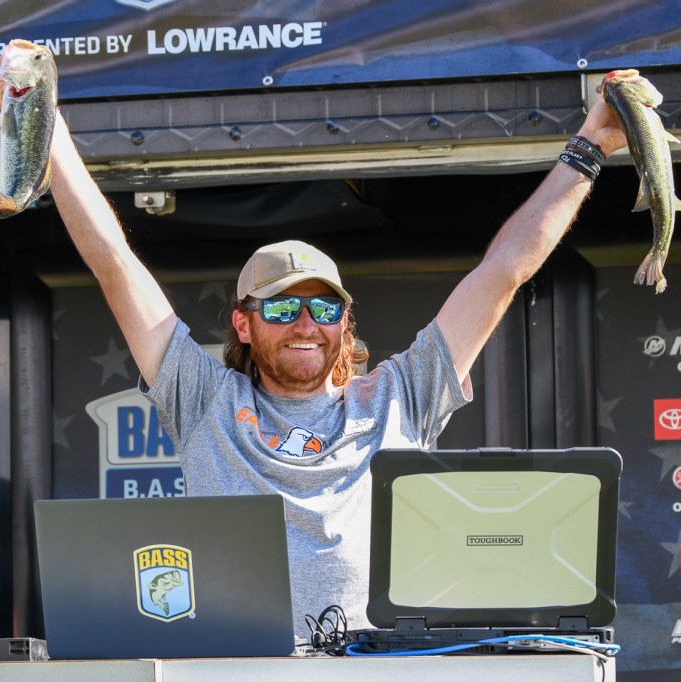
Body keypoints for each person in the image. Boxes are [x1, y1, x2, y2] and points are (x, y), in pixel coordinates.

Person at [48, 97, 627, 639]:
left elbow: (502, 272)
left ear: (345, 322)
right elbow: (113, 263)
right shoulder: (204, 400)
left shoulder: (401, 395)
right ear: (243, 324)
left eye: (324, 309)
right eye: (281, 308)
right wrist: (46, 128)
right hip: (240, 665)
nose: (305, 325)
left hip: (373, 666)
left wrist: (590, 146)